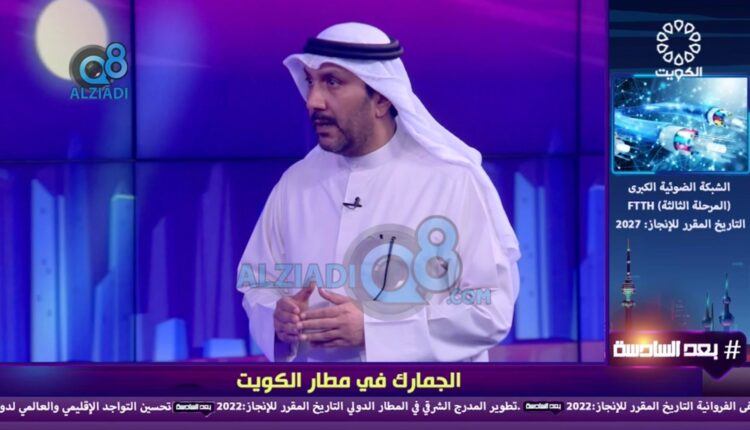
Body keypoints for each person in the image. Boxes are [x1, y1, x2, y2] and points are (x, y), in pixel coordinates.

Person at [237, 22, 520, 362]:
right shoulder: (295, 183)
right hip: (322, 392)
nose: (313, 101)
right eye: (310, 81)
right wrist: (276, 318)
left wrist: (375, 331)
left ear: (382, 97)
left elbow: (490, 308)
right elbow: (258, 283)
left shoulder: (452, 180)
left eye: (332, 82)